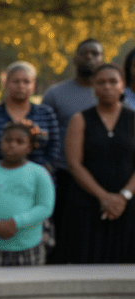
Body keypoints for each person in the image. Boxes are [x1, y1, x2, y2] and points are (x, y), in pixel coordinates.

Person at [60, 63, 135, 263]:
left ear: (123, 85)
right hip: (88, 204)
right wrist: (104, 198)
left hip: (128, 205)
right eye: (101, 82)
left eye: (113, 82)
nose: (107, 87)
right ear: (93, 86)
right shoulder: (80, 119)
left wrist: (122, 197)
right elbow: (74, 164)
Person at [41, 38, 105, 263]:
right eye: (84, 53)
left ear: (102, 59)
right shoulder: (55, 93)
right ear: (75, 58)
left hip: (102, 175)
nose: (89, 57)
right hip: (64, 175)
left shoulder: (110, 93)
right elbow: (44, 132)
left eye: (95, 53)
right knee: (62, 234)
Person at [0, 121, 55, 266]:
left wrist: (16, 222)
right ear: (0, 142)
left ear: (29, 147)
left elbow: (45, 207)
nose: (12, 145)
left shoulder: (39, 173)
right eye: (8, 140)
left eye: (19, 142)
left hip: (29, 246)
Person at [0, 62, 60, 171]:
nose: (21, 86)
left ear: (34, 85)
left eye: (26, 82)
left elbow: (54, 148)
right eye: (16, 81)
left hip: (36, 178)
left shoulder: (46, 113)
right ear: (6, 83)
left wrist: (43, 171)